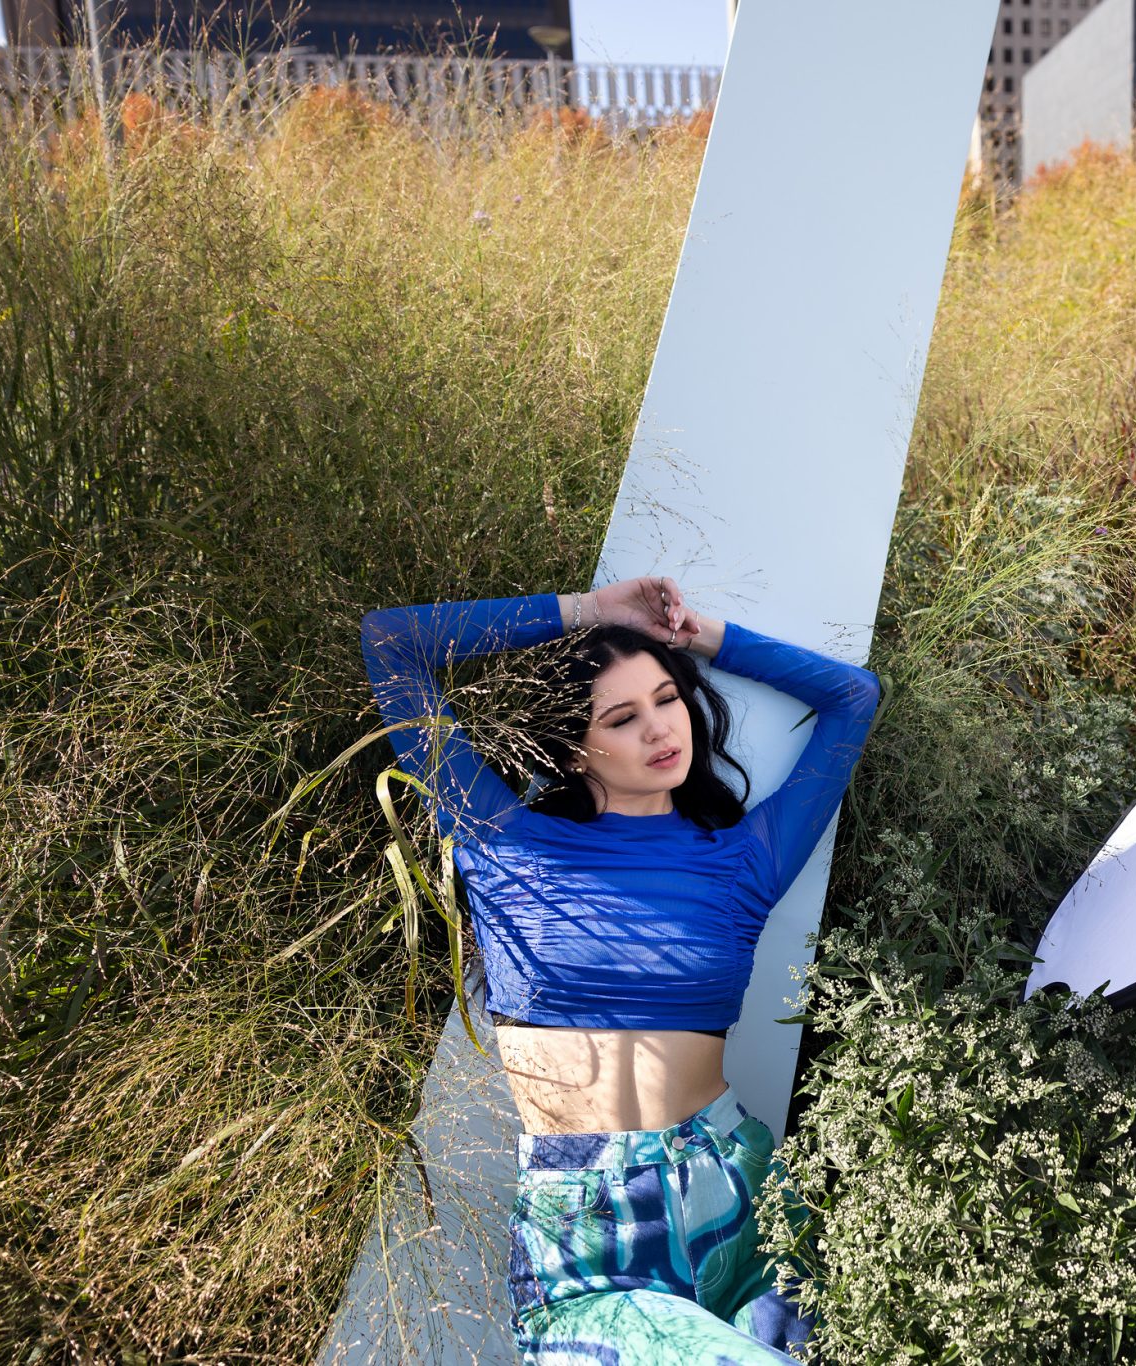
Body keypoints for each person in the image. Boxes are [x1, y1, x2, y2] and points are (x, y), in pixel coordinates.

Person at [360, 575, 880, 1363]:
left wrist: (695, 632)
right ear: (574, 747)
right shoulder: (501, 842)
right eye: (623, 717)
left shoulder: (744, 857)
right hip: (587, 1235)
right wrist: (591, 612)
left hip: (740, 1199)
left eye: (668, 699)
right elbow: (392, 642)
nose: (662, 730)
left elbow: (853, 696)